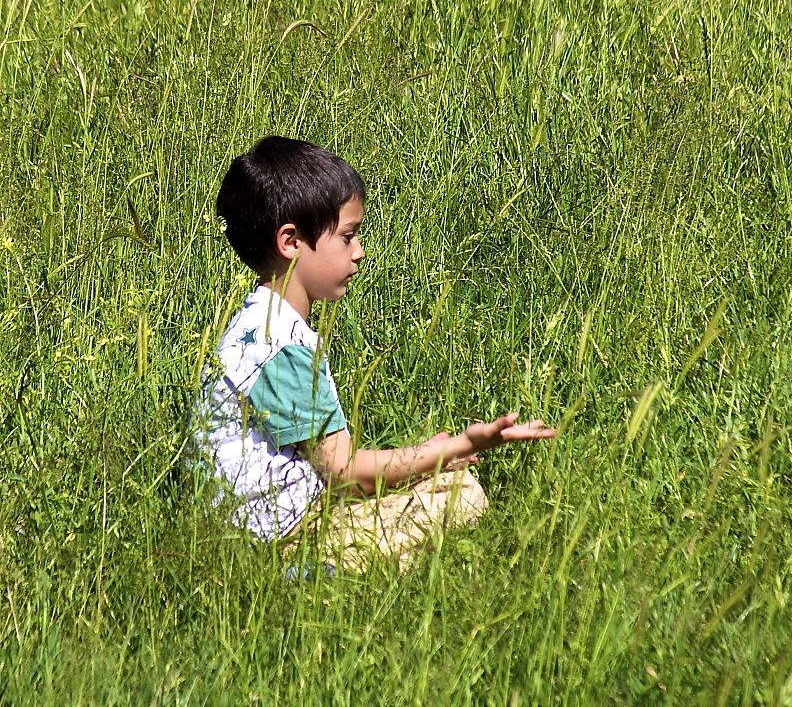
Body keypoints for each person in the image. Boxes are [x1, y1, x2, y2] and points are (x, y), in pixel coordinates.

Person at [191, 135, 556, 571]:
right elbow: (343, 474)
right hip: (281, 541)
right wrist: (463, 443)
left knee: (444, 481)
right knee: (462, 494)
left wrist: (422, 457)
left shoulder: (260, 325)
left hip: (264, 528)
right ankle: (318, 575)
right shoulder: (281, 347)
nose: (359, 252)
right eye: (347, 237)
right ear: (290, 242)